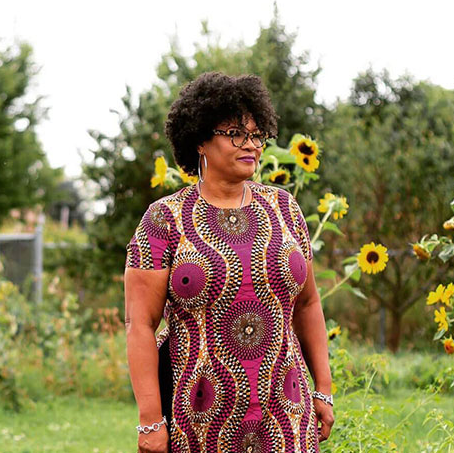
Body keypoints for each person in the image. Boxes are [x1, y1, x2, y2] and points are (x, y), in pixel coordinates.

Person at [124, 71, 334, 453]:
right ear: (201, 139)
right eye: (235, 133)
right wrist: (150, 420)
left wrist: (324, 388)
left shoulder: (284, 208)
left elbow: (308, 303)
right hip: (203, 422)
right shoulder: (164, 220)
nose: (250, 144)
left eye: (256, 135)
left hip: (287, 417)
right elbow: (140, 324)